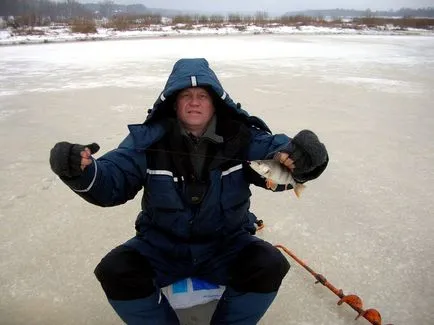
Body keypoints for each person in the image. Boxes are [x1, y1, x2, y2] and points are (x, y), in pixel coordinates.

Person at [49, 58, 328, 324]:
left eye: (203, 95)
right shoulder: (147, 141)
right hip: (161, 247)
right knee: (115, 270)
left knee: (268, 264)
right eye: (185, 95)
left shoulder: (242, 138)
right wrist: (79, 170)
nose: (194, 101)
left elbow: (279, 154)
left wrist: (304, 157)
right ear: (172, 103)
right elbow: (112, 180)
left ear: (216, 102)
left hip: (227, 245)